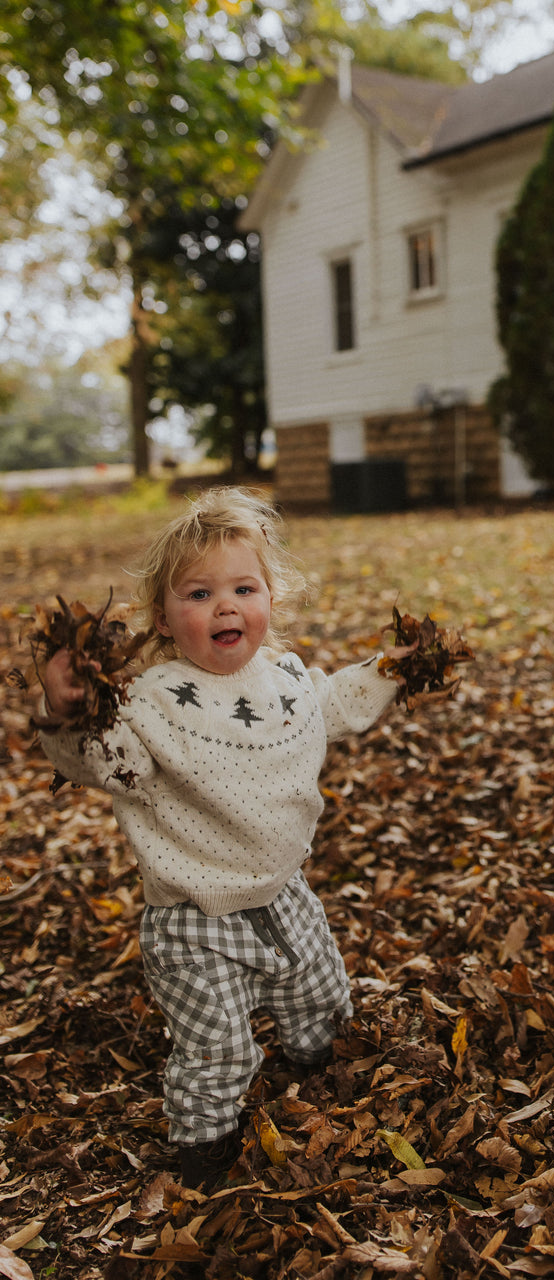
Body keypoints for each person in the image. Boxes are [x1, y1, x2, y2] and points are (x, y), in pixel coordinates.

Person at [38, 487, 407, 1192]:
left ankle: (319, 1077)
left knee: (320, 1001)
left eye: (244, 587)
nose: (226, 606)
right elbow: (103, 759)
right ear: (164, 618)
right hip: (192, 917)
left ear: (271, 596)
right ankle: (204, 1154)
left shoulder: (287, 681)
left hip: (284, 893)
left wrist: (394, 669)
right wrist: (70, 710)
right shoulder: (149, 702)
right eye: (200, 593)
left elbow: (335, 704)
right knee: (218, 1047)